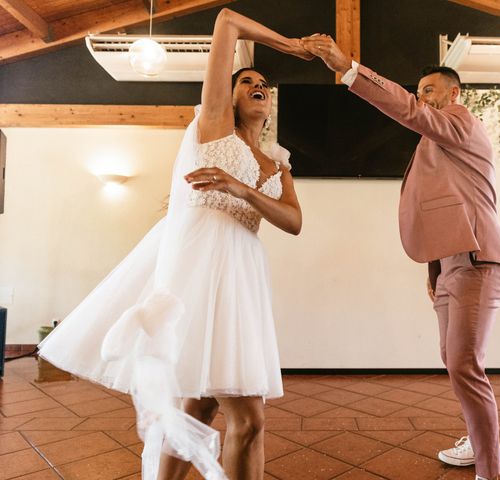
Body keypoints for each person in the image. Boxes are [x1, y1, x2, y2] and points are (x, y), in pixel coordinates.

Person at [39, 9, 311, 480]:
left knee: (198, 409)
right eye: (246, 80)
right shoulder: (212, 127)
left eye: (264, 82)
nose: (258, 85)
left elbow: (293, 222)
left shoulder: (277, 164)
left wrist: (242, 188)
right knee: (249, 419)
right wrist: (287, 43)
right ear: (226, 96)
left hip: (242, 279)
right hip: (199, 275)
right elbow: (226, 19)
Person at [301, 35, 500, 480]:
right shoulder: (436, 145)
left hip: (479, 260)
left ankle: (489, 465)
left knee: (463, 363)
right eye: (420, 93)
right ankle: (477, 441)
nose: (423, 99)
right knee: (453, 361)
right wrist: (433, 268)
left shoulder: (461, 122)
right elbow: (443, 207)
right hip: (450, 266)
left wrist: (351, 68)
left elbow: (409, 112)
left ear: (454, 93)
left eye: (429, 90)